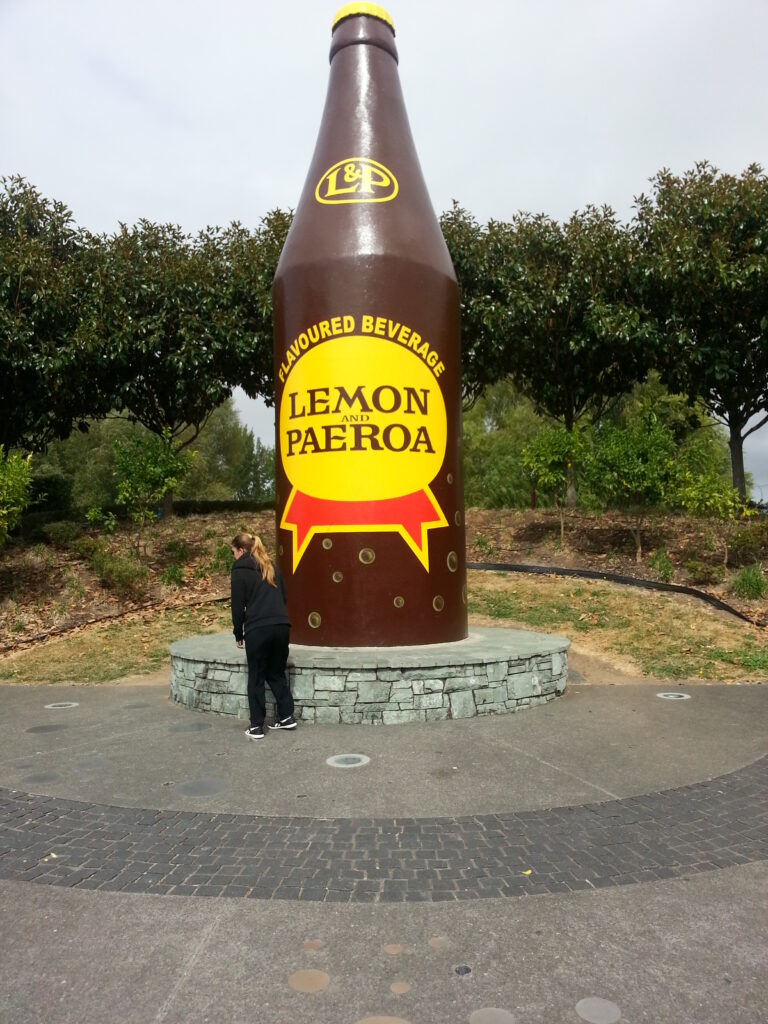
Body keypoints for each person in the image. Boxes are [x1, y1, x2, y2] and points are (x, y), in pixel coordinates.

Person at [230, 532, 296, 740]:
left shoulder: (239, 569)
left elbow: (237, 605)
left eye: (233, 552)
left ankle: (257, 726)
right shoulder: (271, 565)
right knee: (276, 673)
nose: (233, 556)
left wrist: (238, 632)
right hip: (282, 625)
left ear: (241, 550)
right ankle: (286, 716)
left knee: (257, 676)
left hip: (258, 628)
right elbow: (284, 597)